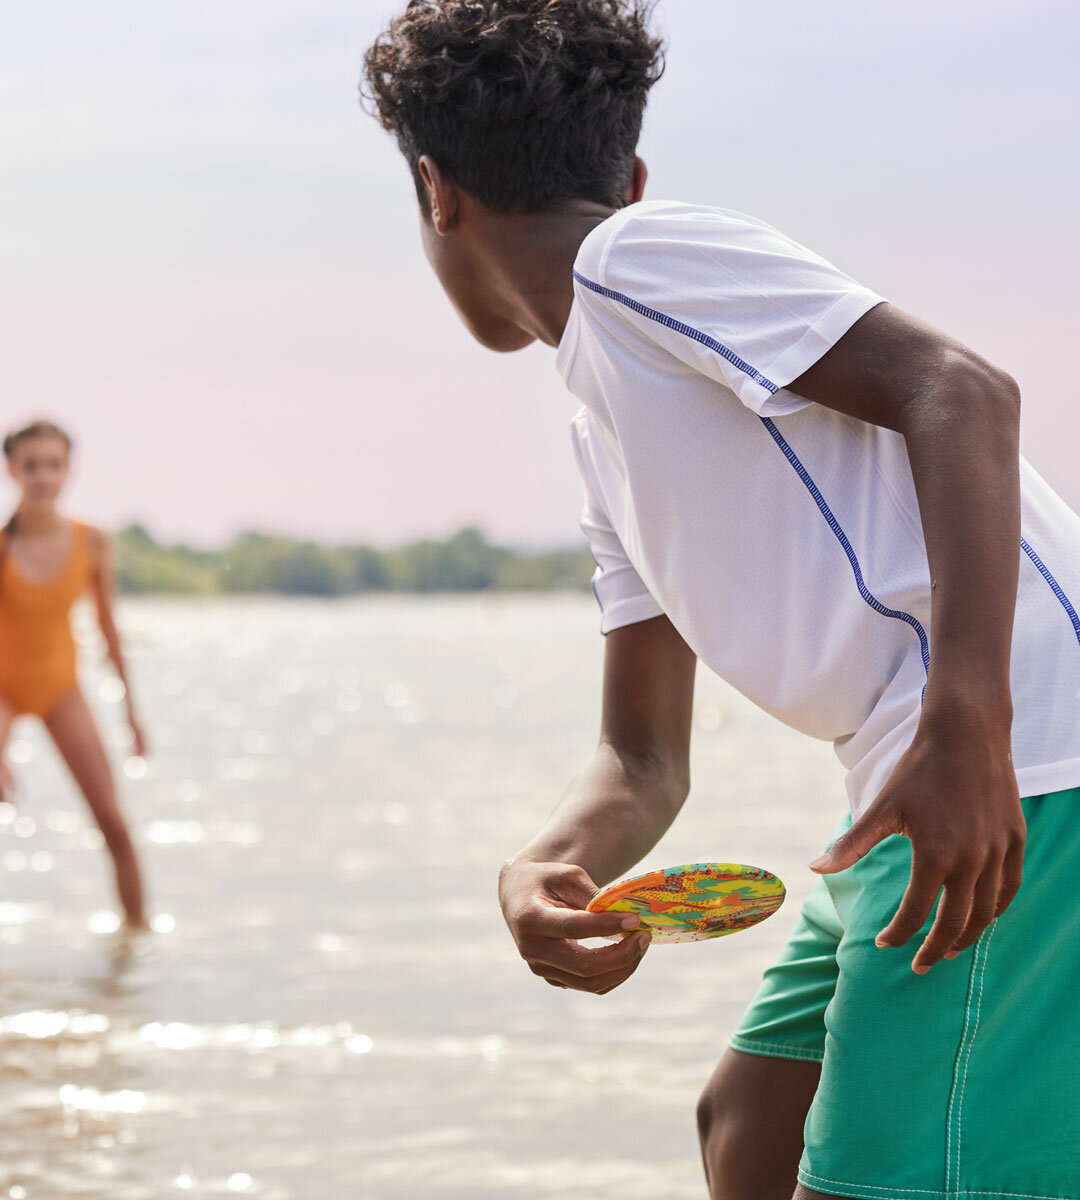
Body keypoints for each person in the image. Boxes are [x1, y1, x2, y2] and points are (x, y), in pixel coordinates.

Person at [361, 4, 1080, 1198]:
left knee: (892, 1175)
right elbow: (642, 759)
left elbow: (965, 391)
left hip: (1025, 755)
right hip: (909, 777)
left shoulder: (635, 262)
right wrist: (542, 866)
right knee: (747, 1124)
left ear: (435, 190)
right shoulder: (605, 428)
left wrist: (970, 723)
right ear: (629, 169)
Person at [0, 419, 147, 957]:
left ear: (69, 470)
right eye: (31, 465)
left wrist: (131, 712)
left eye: (53, 464)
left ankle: (136, 950)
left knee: (114, 821)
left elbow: (109, 630)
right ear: (11, 471)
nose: (43, 476)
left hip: (60, 687)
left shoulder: (93, 541)